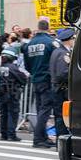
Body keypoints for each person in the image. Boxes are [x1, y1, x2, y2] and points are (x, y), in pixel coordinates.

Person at [25, 18, 57, 147]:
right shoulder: (50, 43)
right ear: (48, 28)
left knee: (40, 110)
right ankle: (38, 139)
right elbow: (56, 60)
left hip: (36, 79)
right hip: (47, 79)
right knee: (45, 110)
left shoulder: (29, 44)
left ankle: (42, 137)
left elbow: (27, 65)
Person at [0, 48, 29, 142]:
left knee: (4, 114)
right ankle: (11, 135)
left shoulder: (0, 67)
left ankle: (3, 134)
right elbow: (22, 78)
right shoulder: (13, 67)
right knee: (12, 113)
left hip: (2, 93)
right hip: (12, 93)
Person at [51, 27, 75, 138]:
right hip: (62, 90)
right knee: (62, 117)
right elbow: (63, 73)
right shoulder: (63, 54)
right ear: (69, 40)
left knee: (59, 117)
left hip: (58, 89)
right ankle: (61, 141)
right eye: (73, 38)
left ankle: (59, 141)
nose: (74, 40)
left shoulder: (56, 51)